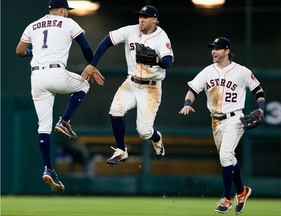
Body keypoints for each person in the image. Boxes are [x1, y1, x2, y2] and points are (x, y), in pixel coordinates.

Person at [16, 0, 104, 192]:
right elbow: (86, 47)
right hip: (56, 72)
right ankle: (64, 120)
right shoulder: (68, 23)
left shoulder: (33, 25)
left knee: (43, 126)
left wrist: (35, 52)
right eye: (67, 11)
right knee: (83, 84)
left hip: (37, 78)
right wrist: (92, 65)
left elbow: (20, 51)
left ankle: (48, 168)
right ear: (63, 10)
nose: (67, 13)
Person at [179, 37, 265, 214]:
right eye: (212, 48)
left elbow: (258, 90)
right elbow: (193, 89)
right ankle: (242, 191)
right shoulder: (207, 71)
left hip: (235, 118)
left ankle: (226, 198)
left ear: (227, 51)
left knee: (225, 156)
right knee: (229, 159)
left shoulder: (241, 71)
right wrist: (188, 103)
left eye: (217, 48)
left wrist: (261, 109)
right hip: (216, 121)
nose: (213, 51)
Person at [81, 5, 174, 165]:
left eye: (145, 17)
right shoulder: (131, 30)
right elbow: (106, 42)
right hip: (131, 82)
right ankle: (121, 150)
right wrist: (93, 64)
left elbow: (168, 62)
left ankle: (157, 138)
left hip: (151, 87)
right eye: (140, 16)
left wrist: (156, 60)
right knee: (115, 110)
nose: (141, 19)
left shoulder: (161, 37)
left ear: (155, 20)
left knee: (144, 132)